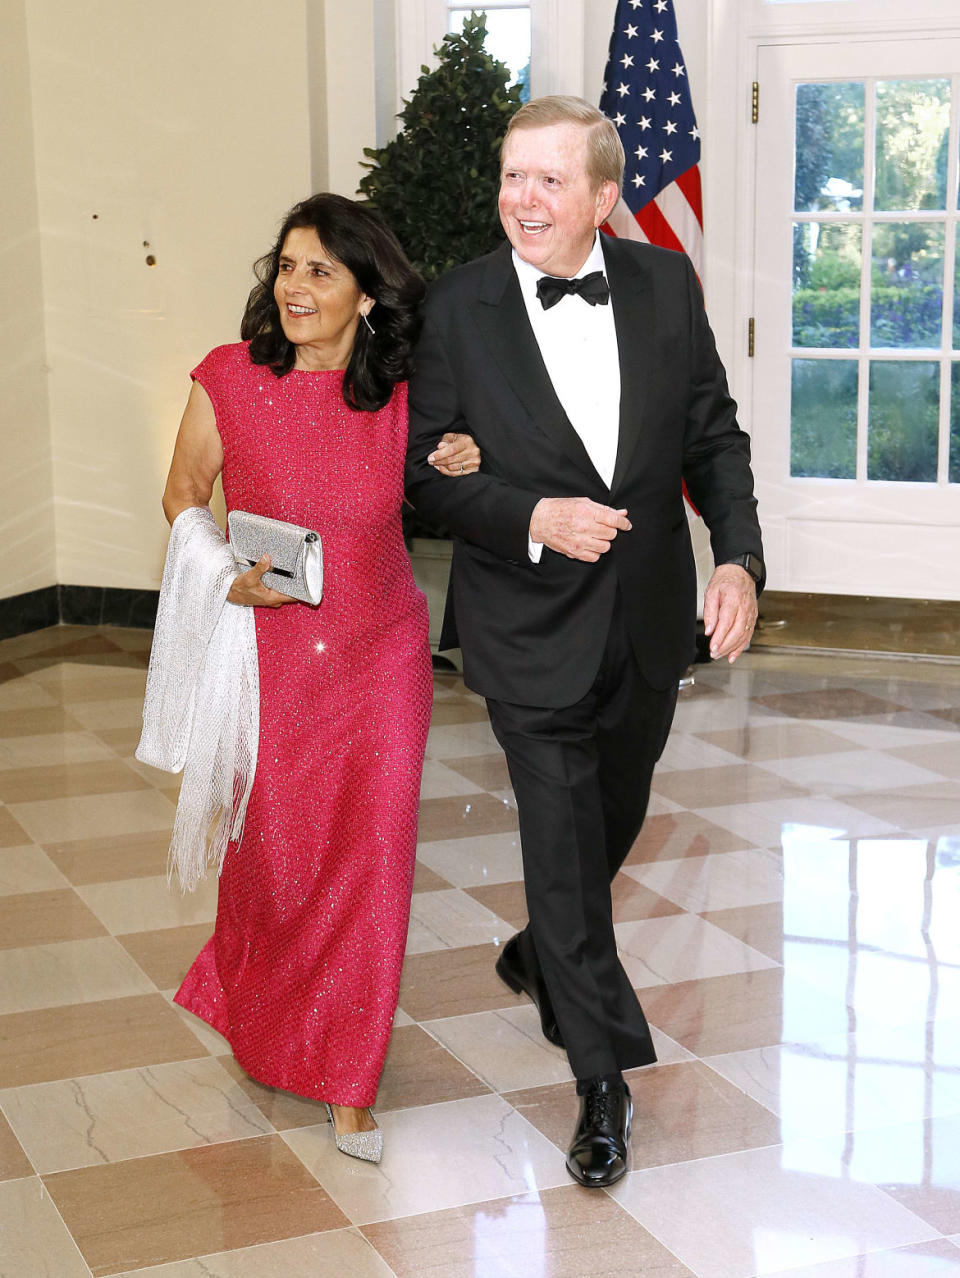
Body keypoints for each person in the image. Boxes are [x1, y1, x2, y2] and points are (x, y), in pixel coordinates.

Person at [405, 96, 763, 1188]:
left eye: (549, 180)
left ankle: (538, 956)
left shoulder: (662, 285)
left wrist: (740, 559)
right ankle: (603, 1082)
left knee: (612, 817)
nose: (523, 198)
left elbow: (712, 431)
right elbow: (422, 477)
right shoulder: (459, 306)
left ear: (604, 198)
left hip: (649, 620)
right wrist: (528, 515)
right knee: (560, 843)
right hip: (525, 624)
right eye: (514, 176)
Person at [159, 193, 480, 1163]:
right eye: (287, 267)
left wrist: (463, 455)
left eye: (320, 272)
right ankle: (260, 1015)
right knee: (275, 859)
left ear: (368, 294)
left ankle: (348, 1080)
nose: (295, 287)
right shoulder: (228, 378)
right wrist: (223, 575)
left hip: (382, 657)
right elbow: (182, 493)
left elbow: (446, 479)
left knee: (370, 860)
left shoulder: (407, 395)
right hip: (266, 665)